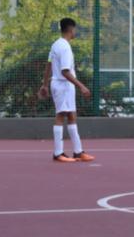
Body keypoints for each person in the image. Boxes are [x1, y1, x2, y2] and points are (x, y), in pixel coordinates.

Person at [38, 18, 95, 163]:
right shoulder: (65, 47)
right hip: (62, 84)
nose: (76, 32)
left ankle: (78, 152)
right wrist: (81, 86)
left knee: (71, 116)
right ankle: (58, 153)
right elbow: (65, 71)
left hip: (63, 85)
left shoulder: (56, 44)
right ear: (71, 30)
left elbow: (49, 64)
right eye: (75, 29)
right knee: (60, 115)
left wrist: (45, 84)